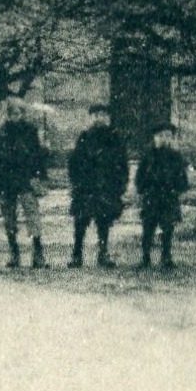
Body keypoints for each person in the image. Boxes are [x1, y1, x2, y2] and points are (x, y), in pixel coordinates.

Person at [0, 97, 50, 269]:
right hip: (5, 180)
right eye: (12, 112)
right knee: (9, 217)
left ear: (22, 113)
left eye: (18, 112)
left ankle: (38, 253)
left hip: (26, 178)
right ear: (7, 114)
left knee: (32, 214)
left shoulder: (30, 131)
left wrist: (39, 177)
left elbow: (38, 156)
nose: (15, 115)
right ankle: (14, 253)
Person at [68, 103, 128, 268]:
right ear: (91, 118)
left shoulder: (114, 138)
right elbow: (74, 162)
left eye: (103, 115)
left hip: (106, 186)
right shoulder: (84, 137)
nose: (99, 119)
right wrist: (76, 182)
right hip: (85, 187)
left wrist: (120, 184)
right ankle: (76, 254)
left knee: (104, 221)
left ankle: (103, 253)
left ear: (108, 118)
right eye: (96, 115)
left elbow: (122, 163)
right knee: (80, 221)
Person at [134, 121, 189, 270]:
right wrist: (142, 190)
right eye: (160, 136)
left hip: (169, 198)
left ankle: (166, 257)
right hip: (151, 197)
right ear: (154, 138)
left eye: (168, 136)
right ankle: (145, 258)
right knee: (148, 228)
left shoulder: (176, 157)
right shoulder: (148, 156)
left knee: (167, 228)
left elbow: (183, 179)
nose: (164, 139)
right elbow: (139, 177)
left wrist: (177, 189)